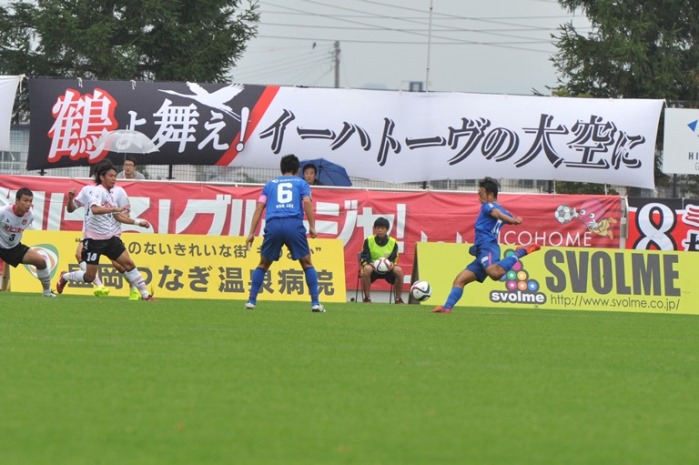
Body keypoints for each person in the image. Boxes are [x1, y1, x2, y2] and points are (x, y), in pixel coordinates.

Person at [432, 177, 541, 314]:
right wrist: (514, 219)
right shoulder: (503, 210)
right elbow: (504, 215)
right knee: (460, 280)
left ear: (490, 194)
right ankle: (446, 308)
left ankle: (521, 252)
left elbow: (497, 214)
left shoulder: (488, 206)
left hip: (488, 246)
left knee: (495, 273)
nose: (478, 196)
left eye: (481, 193)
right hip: (481, 251)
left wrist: (513, 221)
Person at [56, 160, 154, 300]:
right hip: (94, 240)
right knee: (89, 276)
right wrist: (70, 200)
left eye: (115, 176)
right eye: (111, 176)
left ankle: (145, 294)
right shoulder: (97, 191)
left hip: (111, 238)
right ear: (101, 177)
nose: (114, 179)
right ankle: (66, 276)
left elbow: (118, 216)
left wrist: (138, 222)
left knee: (127, 264)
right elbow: (95, 210)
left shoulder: (112, 193)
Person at [245, 154, 325, 312]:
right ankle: (315, 303)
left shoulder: (270, 184)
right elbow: (307, 202)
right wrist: (312, 226)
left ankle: (251, 301)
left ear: (281, 169)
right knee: (307, 263)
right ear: (297, 170)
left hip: (273, 224)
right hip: (293, 224)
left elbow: (260, 206)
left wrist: (251, 233)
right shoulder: (302, 183)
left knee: (263, 264)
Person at [66, 183, 141, 300]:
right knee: (78, 254)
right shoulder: (87, 190)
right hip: (92, 233)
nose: (111, 178)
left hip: (112, 233)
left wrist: (123, 216)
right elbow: (71, 209)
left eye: (113, 175)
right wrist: (70, 199)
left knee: (119, 265)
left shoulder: (118, 191)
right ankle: (99, 285)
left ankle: (133, 287)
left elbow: (126, 212)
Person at [0, 188, 57, 297]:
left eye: (30, 201)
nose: (28, 204)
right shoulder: (3, 212)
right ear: (17, 201)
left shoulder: (30, 216)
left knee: (41, 261)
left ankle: (47, 292)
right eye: (25, 200)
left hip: (13, 248)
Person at [359, 217, 405, 303]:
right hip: (373, 267)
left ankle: (398, 299)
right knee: (366, 269)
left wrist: (391, 265)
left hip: (388, 269)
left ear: (387, 229)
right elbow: (364, 256)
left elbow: (394, 258)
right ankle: (367, 298)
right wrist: (369, 263)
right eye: (378, 228)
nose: (380, 230)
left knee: (399, 270)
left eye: (382, 228)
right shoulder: (368, 240)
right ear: (375, 229)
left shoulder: (393, 242)